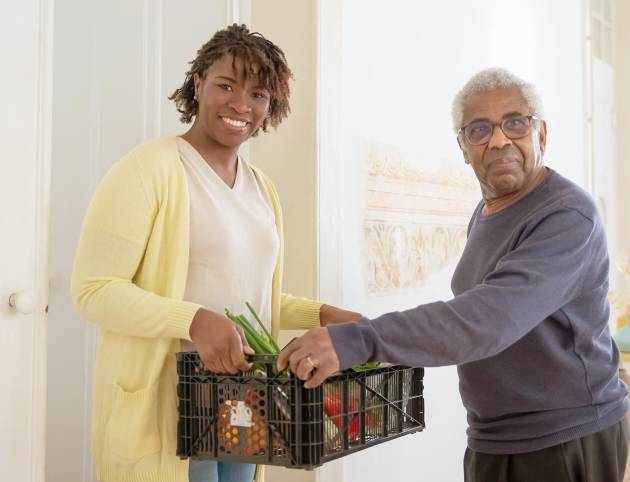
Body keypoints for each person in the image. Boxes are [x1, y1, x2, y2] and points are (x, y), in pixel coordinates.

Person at [279, 67, 630, 482]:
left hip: (562, 439)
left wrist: (359, 340)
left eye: (515, 123)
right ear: (464, 147)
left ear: (542, 134)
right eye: (479, 130)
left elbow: (486, 318)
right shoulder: (485, 213)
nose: (499, 140)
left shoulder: (567, 215)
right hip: (493, 437)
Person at [71, 24, 360, 482]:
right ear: (198, 84)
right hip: (168, 404)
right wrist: (194, 321)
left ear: (272, 106)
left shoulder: (261, 187)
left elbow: (248, 295)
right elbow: (93, 290)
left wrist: (321, 313)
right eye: (226, 85)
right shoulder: (149, 169)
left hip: (242, 400)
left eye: (259, 94)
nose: (241, 105)